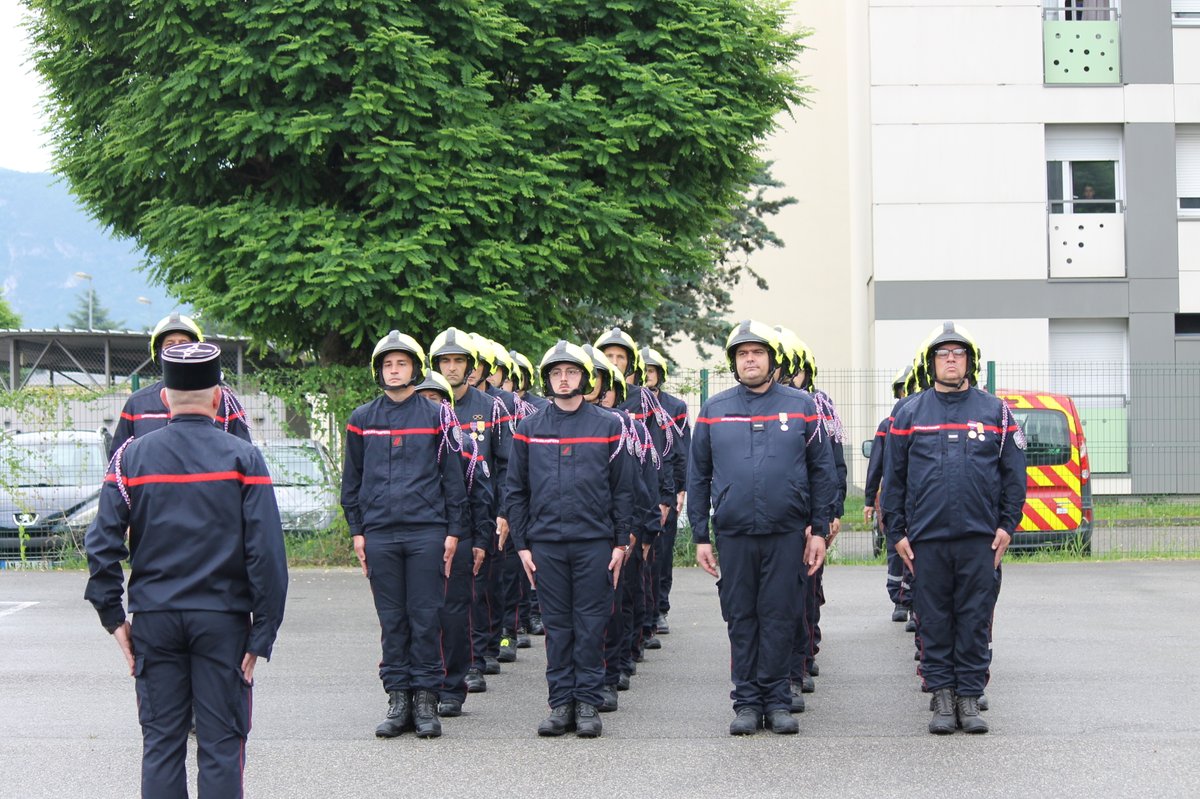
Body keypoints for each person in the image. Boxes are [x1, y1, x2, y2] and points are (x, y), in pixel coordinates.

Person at [84, 341, 288, 798]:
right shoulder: (243, 458)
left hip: (155, 619)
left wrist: (114, 617)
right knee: (221, 745)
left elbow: (101, 545)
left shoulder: (130, 458)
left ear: (164, 398)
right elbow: (267, 554)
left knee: (161, 743)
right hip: (222, 620)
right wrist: (263, 631)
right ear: (218, 398)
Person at [688, 320, 836, 736]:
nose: (750, 360)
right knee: (741, 617)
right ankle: (748, 703)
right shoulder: (714, 410)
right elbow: (697, 476)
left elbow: (822, 470)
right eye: (742, 354)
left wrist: (819, 529)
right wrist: (700, 536)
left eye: (757, 353)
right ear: (733, 362)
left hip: (787, 533)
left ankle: (778, 699)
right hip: (734, 535)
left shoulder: (802, 406)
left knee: (780, 615)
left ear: (772, 360)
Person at [881, 321, 1026, 735]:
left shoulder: (995, 412)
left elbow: (1014, 475)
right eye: (942, 354)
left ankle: (969, 698)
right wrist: (897, 533)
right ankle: (942, 697)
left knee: (974, 619)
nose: (950, 359)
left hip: (980, 541)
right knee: (933, 620)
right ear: (931, 363)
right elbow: (895, 480)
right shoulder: (909, 413)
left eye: (957, 353)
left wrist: (1007, 525)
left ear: (970, 362)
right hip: (926, 542)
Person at [341, 331, 468, 739]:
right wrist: (357, 531)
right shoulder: (362, 419)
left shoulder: (437, 416)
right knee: (392, 620)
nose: (394, 371)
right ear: (378, 371)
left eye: (401, 363)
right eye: (387, 364)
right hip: (379, 533)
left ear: (414, 368)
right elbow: (352, 480)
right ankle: (398, 700)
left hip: (427, 532)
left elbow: (453, 478)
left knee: (426, 617)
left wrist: (453, 530)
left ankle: (426, 701)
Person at [506, 341, 634, 738]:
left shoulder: (609, 425)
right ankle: (561, 704)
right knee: (558, 627)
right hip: (546, 544)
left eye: (572, 372)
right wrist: (522, 545)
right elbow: (516, 490)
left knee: (591, 625)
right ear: (547, 379)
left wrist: (620, 543)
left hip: (595, 543)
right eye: (557, 373)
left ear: (586, 378)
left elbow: (623, 490)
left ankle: (588, 704)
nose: (564, 379)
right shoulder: (529, 429)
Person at [429, 328, 506, 696]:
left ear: (471, 366)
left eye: (459, 361)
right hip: (435, 516)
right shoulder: (425, 405)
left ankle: (474, 661)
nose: (452, 367)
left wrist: (503, 512)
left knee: (475, 591)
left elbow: (506, 465)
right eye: (445, 361)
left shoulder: (490, 407)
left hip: (480, 511)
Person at [414, 369, 493, 719]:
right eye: (423, 400)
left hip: (459, 539)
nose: (429, 406)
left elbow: (481, 497)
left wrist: (480, 540)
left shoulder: (465, 444)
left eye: (435, 399)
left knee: (453, 616)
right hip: (420, 539)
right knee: (419, 618)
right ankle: (421, 689)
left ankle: (452, 687)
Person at [109, 313, 251, 459]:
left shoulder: (224, 401)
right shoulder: (137, 403)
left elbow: (244, 456)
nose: (177, 350)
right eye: (169, 344)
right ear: (158, 352)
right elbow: (117, 459)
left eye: (184, 343)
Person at [865, 364, 918, 628]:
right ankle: (901, 602)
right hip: (897, 497)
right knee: (897, 548)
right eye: (903, 391)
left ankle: (911, 604)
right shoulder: (888, 425)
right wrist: (868, 500)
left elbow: (876, 464)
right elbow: (877, 464)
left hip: (915, 497)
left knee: (914, 549)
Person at [641, 346, 690, 637]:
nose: (648, 375)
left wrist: (681, 488)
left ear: (660, 374)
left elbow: (682, 450)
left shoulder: (675, 407)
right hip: (641, 485)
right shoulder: (630, 402)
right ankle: (644, 611)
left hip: (666, 486)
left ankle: (660, 608)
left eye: (652, 371)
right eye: (644, 370)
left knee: (662, 552)